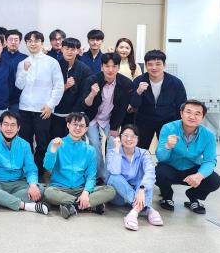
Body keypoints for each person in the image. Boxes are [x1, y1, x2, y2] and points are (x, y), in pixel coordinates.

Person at [43, 112, 116, 219]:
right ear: (68, 125)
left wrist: (86, 193)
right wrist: (53, 150)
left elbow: (91, 176)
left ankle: (71, 205)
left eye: (81, 126)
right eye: (74, 124)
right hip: (59, 188)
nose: (78, 128)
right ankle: (88, 206)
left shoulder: (90, 150)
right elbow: (47, 167)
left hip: (80, 189)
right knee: (48, 193)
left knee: (110, 190)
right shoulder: (56, 143)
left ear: (86, 129)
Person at [155, 100, 220, 214]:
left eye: (197, 114)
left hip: (193, 170)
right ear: (181, 113)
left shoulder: (209, 136)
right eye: (188, 112)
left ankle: (193, 196)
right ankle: (167, 196)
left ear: (203, 117)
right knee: (157, 172)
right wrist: (167, 146)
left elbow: (210, 160)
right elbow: (161, 158)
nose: (192, 116)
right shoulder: (168, 128)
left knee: (215, 181)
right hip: (171, 168)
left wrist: (200, 175)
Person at [0, 111, 48, 214]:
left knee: (39, 188)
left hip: (17, 183)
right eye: (6, 124)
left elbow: (31, 169)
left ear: (18, 128)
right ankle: (25, 205)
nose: (9, 128)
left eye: (13, 125)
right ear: (0, 126)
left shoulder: (24, 145)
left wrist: (32, 185)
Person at [15, 30, 64, 177]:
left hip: (43, 109)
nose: (33, 43)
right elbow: (19, 85)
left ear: (42, 43)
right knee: (25, 143)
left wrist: (51, 105)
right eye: (29, 41)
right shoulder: (22, 63)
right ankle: (27, 172)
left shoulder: (52, 62)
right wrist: (24, 71)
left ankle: (39, 173)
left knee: (42, 143)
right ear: (26, 44)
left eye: (36, 41)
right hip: (24, 108)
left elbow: (59, 86)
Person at [80, 53, 133, 181]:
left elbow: (121, 109)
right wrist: (93, 93)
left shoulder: (125, 83)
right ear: (101, 67)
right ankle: (101, 175)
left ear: (118, 67)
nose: (110, 70)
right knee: (95, 145)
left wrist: (115, 127)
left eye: (114, 66)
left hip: (111, 118)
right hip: (92, 117)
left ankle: (111, 175)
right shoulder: (92, 80)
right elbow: (86, 104)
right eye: (107, 66)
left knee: (112, 146)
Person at [106, 125, 163, 231]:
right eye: (125, 135)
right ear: (120, 137)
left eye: (133, 136)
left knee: (146, 181)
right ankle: (148, 209)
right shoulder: (113, 152)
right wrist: (117, 149)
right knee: (114, 177)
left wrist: (141, 188)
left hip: (138, 192)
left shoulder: (144, 153)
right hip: (119, 196)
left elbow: (150, 172)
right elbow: (114, 171)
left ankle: (133, 213)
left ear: (137, 139)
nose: (129, 139)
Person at [130, 50, 187, 149]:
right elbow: (134, 105)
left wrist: (179, 126)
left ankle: (165, 165)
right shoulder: (139, 81)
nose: (154, 68)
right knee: (140, 149)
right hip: (144, 121)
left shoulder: (175, 83)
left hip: (168, 121)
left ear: (164, 65)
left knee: (168, 149)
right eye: (150, 64)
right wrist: (138, 92)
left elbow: (181, 106)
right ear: (146, 66)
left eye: (158, 64)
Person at [50, 38, 91, 139]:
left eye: (72, 49)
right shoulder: (54, 65)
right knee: (54, 141)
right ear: (62, 49)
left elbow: (84, 93)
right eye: (66, 48)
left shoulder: (84, 69)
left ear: (77, 51)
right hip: (55, 113)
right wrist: (65, 86)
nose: (69, 52)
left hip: (74, 114)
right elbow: (47, 90)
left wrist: (76, 113)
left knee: (73, 142)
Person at [2, 29, 26, 113]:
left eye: (16, 40)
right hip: (1, 99)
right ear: (5, 41)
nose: (13, 42)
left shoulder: (25, 59)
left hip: (18, 101)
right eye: (10, 39)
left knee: (16, 124)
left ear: (20, 42)